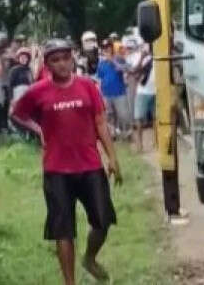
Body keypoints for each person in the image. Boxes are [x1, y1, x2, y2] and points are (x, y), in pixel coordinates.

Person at [11, 38, 123, 285]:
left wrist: (112, 157)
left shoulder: (87, 86)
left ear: (72, 58)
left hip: (90, 166)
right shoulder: (37, 91)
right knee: (63, 231)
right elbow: (16, 113)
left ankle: (90, 258)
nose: (62, 64)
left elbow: (100, 122)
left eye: (65, 58)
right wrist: (37, 128)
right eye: (55, 60)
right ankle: (69, 282)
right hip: (56, 170)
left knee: (103, 221)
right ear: (47, 64)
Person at [96, 42, 130, 138]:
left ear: (112, 48)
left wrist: (112, 61)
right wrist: (100, 94)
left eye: (108, 47)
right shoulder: (101, 63)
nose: (107, 50)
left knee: (123, 115)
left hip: (119, 92)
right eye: (105, 48)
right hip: (106, 93)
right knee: (110, 116)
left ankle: (126, 133)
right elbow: (100, 79)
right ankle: (113, 134)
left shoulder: (119, 59)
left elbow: (124, 69)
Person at [132, 49, 156, 153]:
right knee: (139, 119)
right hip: (143, 91)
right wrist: (142, 57)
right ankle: (139, 145)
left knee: (157, 118)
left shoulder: (161, 54)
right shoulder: (142, 56)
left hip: (156, 91)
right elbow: (135, 70)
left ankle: (157, 143)